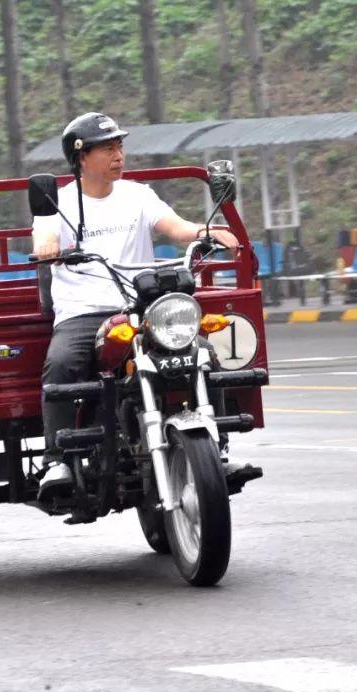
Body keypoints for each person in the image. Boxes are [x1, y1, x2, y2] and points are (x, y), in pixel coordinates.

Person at [32, 112, 240, 492]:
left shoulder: (138, 195)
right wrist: (48, 248)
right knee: (61, 363)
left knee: (203, 352)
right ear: (81, 157)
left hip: (137, 308)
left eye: (120, 146)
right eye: (108, 148)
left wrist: (207, 231)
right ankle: (57, 462)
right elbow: (43, 237)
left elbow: (176, 228)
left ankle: (217, 450)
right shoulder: (57, 204)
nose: (119, 155)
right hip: (83, 313)